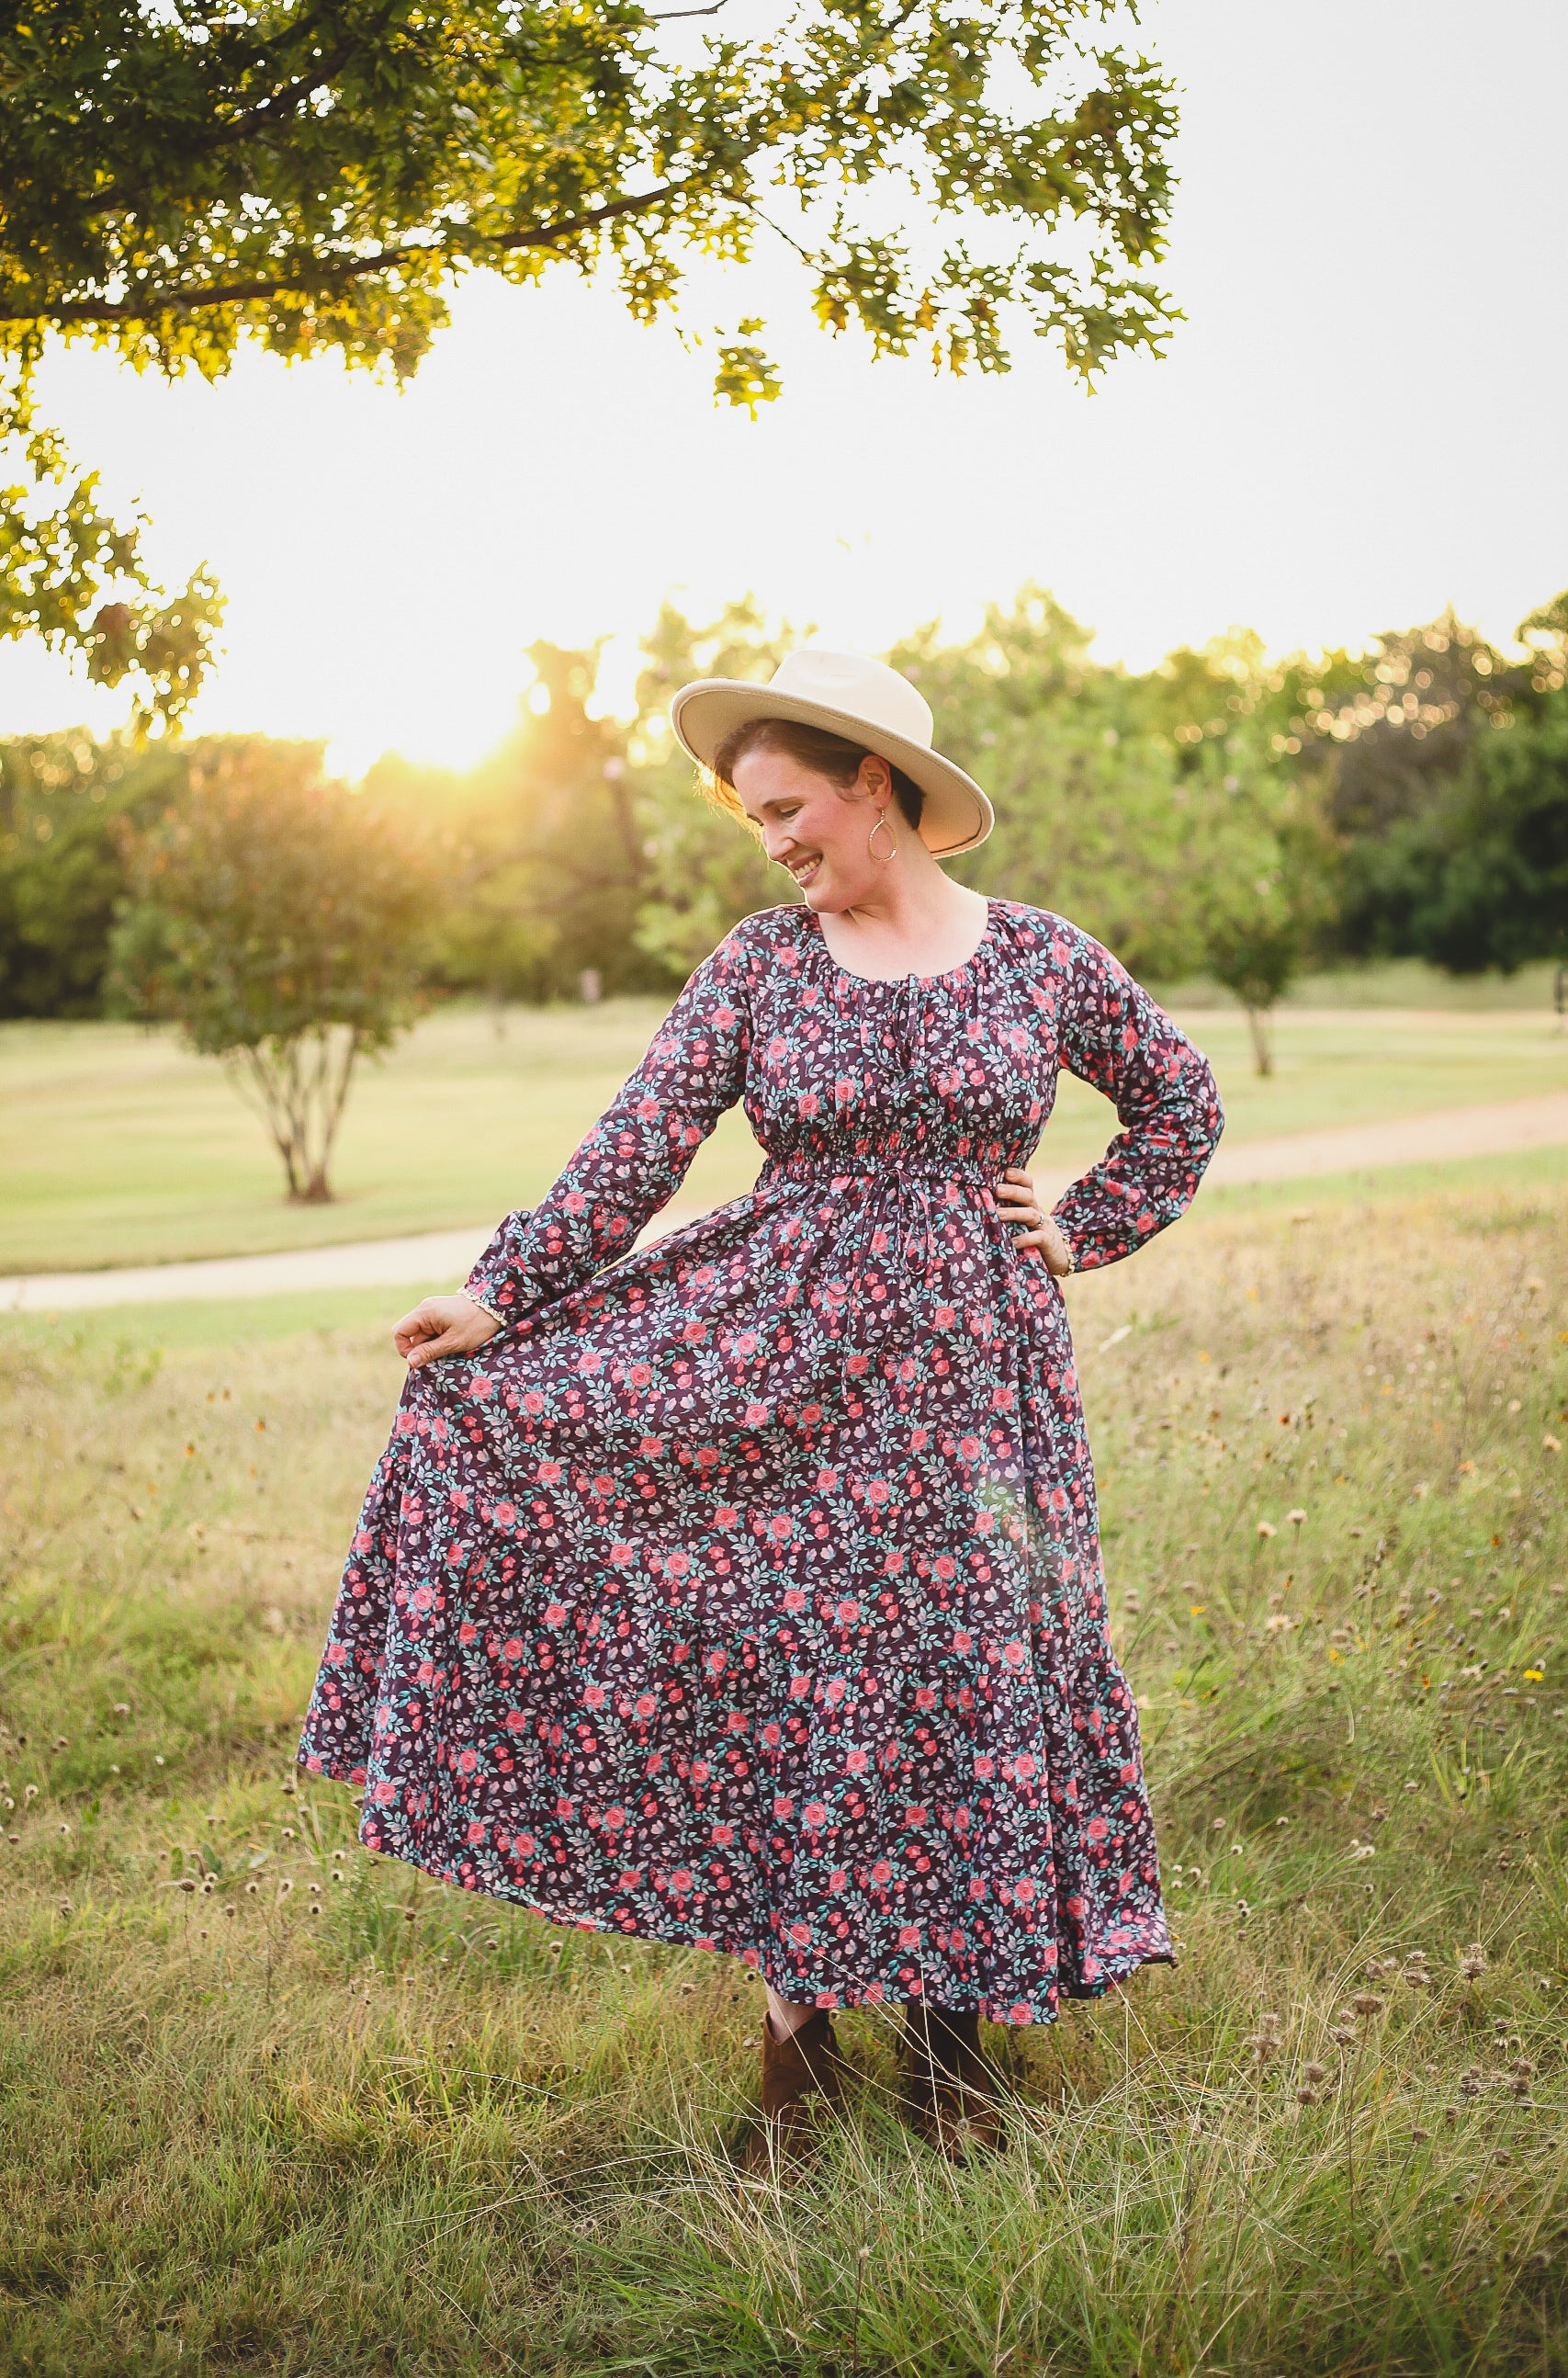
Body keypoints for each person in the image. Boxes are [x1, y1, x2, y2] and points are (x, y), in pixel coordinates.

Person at [299, 647, 1224, 2169]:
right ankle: (800, 2046)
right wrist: (502, 1295)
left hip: (977, 1388)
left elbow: (1180, 1101)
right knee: (796, 1672)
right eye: (753, 821)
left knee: (963, 1677)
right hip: (773, 1374)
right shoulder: (759, 964)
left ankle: (955, 2040)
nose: (775, 841)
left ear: (878, 787)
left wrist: (1087, 1222)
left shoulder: (1044, 959)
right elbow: (635, 1150)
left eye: (789, 807)